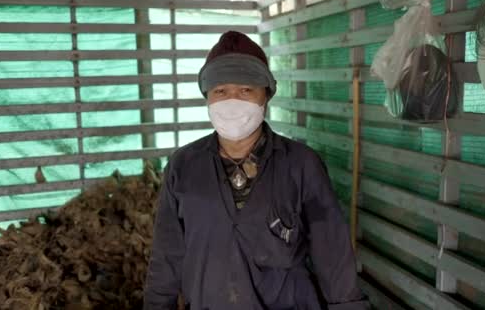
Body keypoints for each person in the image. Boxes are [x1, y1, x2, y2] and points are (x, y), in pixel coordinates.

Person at [144, 31, 368, 310]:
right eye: (221, 91)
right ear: (207, 98)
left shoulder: (302, 164)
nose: (232, 100)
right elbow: (167, 254)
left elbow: (332, 252)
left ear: (267, 94)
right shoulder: (183, 166)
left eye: (246, 90)